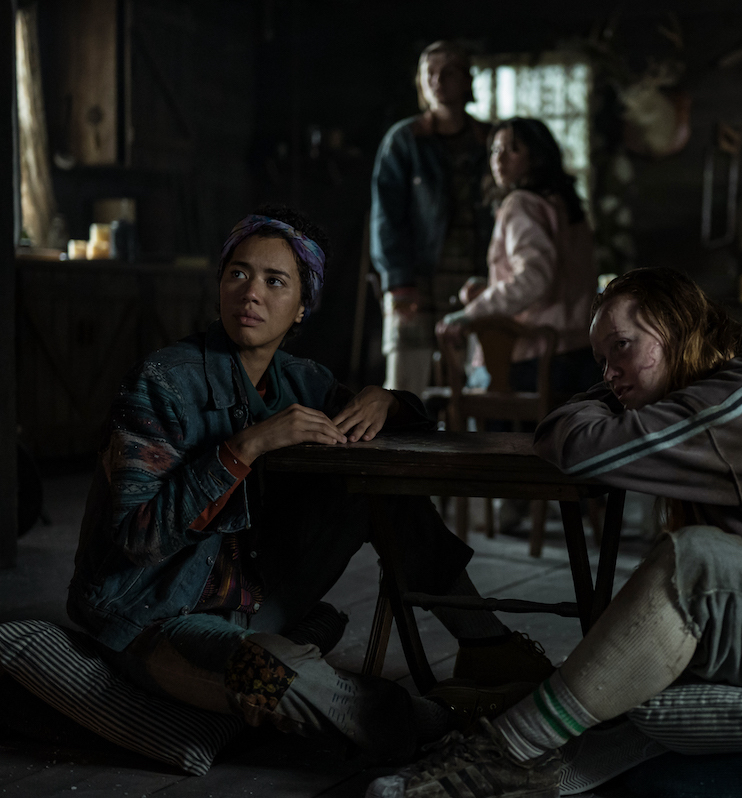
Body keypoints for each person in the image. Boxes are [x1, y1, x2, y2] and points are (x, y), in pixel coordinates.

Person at [367, 267, 742, 797]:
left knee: (696, 561)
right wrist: (625, 378)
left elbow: (577, 444)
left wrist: (601, 397)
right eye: (601, 360)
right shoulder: (734, 390)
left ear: (677, 329)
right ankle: (520, 749)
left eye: (622, 347)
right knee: (631, 682)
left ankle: (508, 753)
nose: (610, 372)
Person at [68, 207, 552, 761]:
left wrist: (388, 401)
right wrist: (246, 445)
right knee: (269, 674)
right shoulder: (161, 383)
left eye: (275, 281)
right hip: (154, 613)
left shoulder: (303, 380)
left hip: (253, 596)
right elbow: (137, 538)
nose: (251, 292)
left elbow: (402, 423)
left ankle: (485, 644)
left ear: (301, 308)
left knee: (376, 493)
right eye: (238, 274)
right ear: (220, 285)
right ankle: (439, 718)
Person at [436, 117, 600, 397]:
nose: (499, 159)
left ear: (537, 157)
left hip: (535, 357)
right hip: (581, 350)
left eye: (512, 149)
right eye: (495, 150)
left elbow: (533, 279)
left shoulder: (521, 204)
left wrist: (469, 315)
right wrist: (491, 287)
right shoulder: (563, 204)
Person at [371, 40, 494, 397]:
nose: (438, 81)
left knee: (474, 384)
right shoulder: (404, 140)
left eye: (449, 72)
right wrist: (398, 281)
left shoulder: (487, 140)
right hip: (417, 275)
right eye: (430, 74)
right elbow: (386, 218)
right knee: (405, 383)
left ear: (466, 80)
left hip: (476, 275)